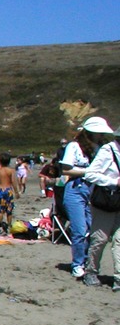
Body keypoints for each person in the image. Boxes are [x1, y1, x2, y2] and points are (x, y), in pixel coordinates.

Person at [59, 118, 109, 278]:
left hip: (94, 191)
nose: (101, 135)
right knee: (79, 229)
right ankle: (78, 264)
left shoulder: (102, 148)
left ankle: (88, 261)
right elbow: (66, 169)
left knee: (92, 230)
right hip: (76, 189)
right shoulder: (74, 146)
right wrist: (88, 172)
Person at [76, 118, 118, 287]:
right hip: (105, 201)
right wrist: (114, 182)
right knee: (100, 239)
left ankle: (118, 278)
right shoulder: (108, 151)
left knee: (119, 240)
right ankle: (91, 271)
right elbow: (90, 174)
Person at [0, 152, 21, 232]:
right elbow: (13, 182)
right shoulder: (11, 170)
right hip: (8, 190)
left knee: (0, 210)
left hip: (1, 190)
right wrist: (17, 192)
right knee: (9, 210)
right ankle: (9, 226)